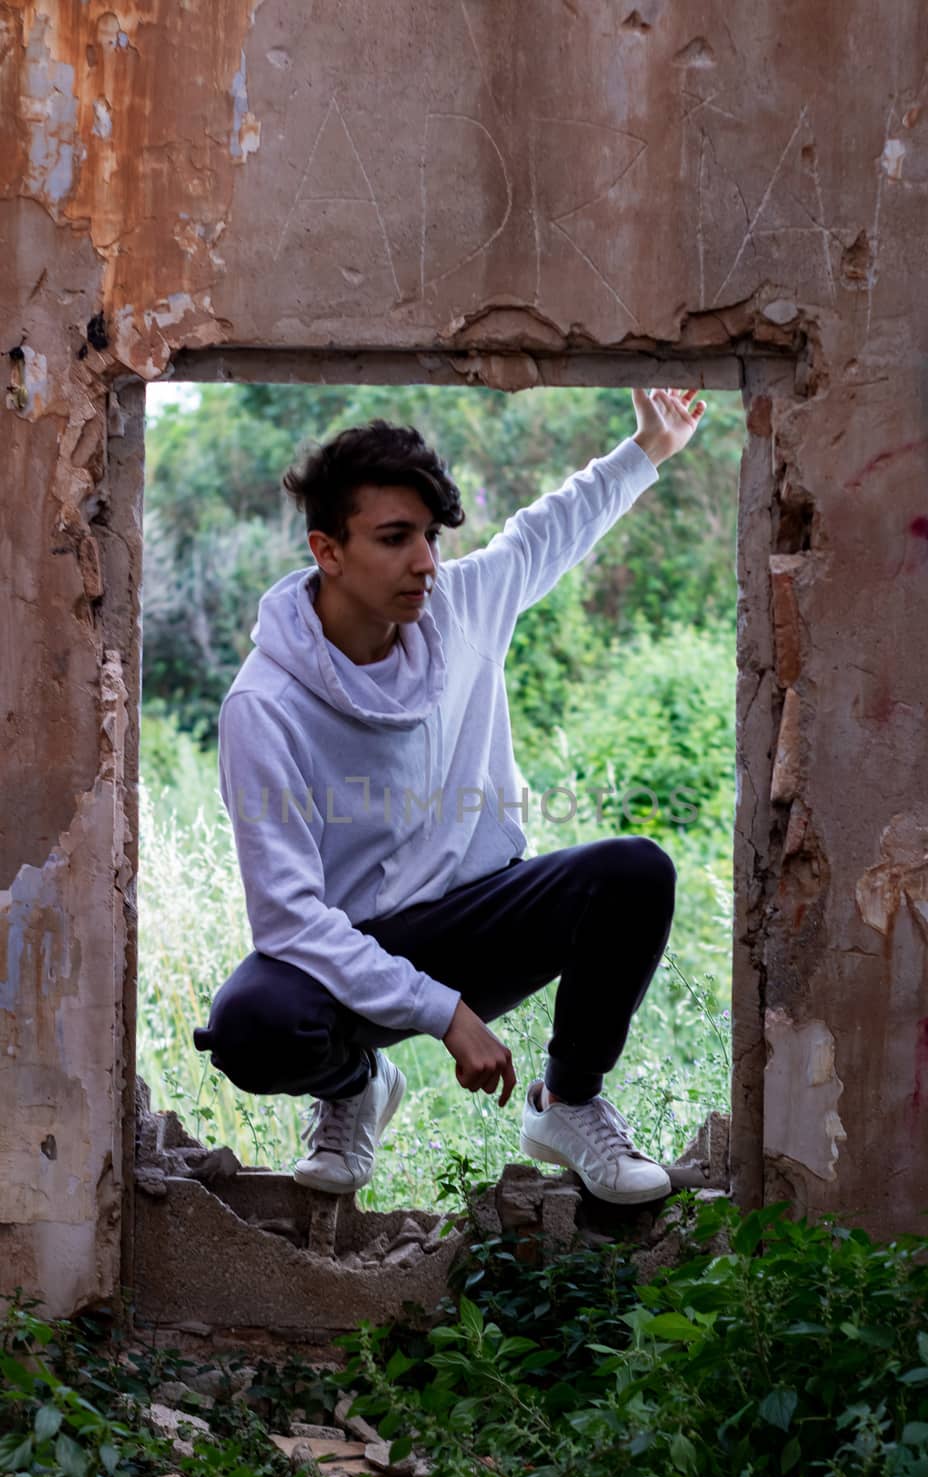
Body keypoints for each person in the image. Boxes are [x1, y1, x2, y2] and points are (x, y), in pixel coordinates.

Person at [193, 386, 708, 1205]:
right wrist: (445, 1015)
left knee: (635, 870)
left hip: (481, 918)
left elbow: (544, 534)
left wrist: (647, 448)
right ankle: (355, 1084)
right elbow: (288, 918)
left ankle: (568, 1105)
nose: (425, 561)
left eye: (429, 537)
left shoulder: (460, 607)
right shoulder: (264, 706)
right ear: (328, 550)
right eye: (395, 539)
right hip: (350, 952)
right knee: (251, 1027)